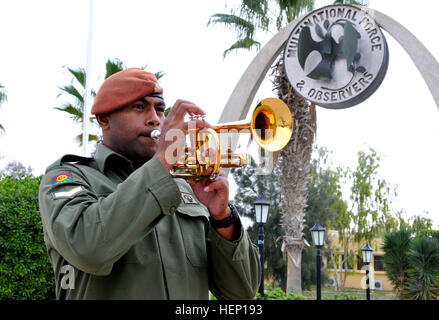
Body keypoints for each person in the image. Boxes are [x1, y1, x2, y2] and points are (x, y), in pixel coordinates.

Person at [38, 68, 261, 300]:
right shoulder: (69, 177)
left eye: (160, 109)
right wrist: (162, 161)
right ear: (104, 119)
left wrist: (222, 218)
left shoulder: (186, 186)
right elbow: (87, 247)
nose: (155, 118)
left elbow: (242, 293)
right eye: (139, 107)